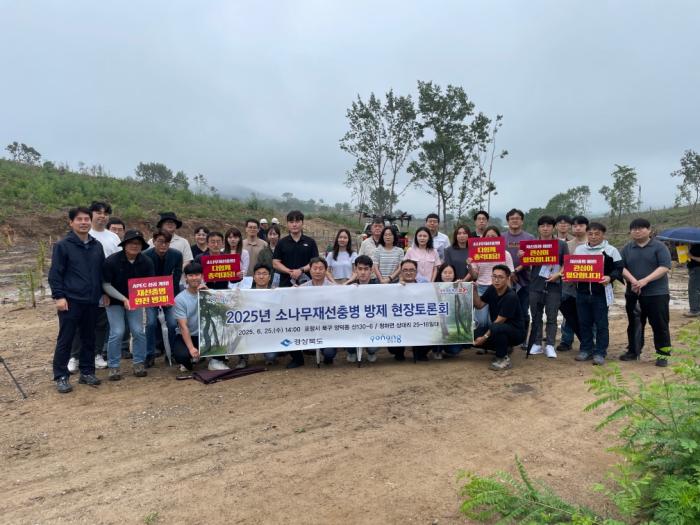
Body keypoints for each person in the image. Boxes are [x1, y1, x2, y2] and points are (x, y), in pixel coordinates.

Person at [49, 207, 106, 393]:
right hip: (70, 300)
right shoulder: (63, 246)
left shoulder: (96, 246)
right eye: (79, 219)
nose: (83, 222)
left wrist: (103, 292)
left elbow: (101, 272)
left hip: (92, 300)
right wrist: (59, 296)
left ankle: (87, 372)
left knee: (89, 337)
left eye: (86, 219)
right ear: (71, 223)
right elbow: (55, 273)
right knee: (66, 339)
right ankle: (61, 375)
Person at [67, 201, 120, 373]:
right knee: (78, 324)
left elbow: (114, 264)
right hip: (80, 289)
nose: (102, 216)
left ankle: (97, 354)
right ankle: (74, 356)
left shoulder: (113, 237)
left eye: (105, 213)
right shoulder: (83, 234)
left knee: (100, 323)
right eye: (98, 213)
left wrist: (107, 290)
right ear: (91, 216)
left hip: (104, 286)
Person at [102, 230, 155, 380]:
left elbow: (150, 284)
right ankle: (113, 366)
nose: (134, 246)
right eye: (131, 243)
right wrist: (124, 299)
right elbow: (106, 284)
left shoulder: (146, 262)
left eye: (138, 243)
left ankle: (138, 362)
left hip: (136, 301)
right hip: (114, 301)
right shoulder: (112, 261)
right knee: (117, 332)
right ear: (124, 244)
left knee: (138, 331)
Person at [620, 218, 673, 367]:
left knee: (660, 324)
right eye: (634, 229)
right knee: (634, 324)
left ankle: (662, 354)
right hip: (633, 293)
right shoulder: (627, 248)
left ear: (649, 230)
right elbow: (621, 267)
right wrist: (633, 281)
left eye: (641, 228)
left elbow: (664, 267)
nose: (637, 231)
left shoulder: (659, 247)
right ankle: (633, 351)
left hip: (657, 293)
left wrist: (645, 280)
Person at [572, 222, 623, 366]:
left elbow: (619, 269)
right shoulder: (579, 249)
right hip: (582, 292)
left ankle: (600, 352)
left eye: (597, 234)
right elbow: (573, 267)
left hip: (601, 293)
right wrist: (570, 276)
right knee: (584, 323)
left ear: (603, 235)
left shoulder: (611, 250)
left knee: (601, 324)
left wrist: (610, 277)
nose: (593, 237)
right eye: (590, 234)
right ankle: (586, 349)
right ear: (587, 234)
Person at [272, 210, 319, 368]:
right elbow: (275, 262)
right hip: (287, 285)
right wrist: (289, 271)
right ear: (287, 224)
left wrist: (301, 270)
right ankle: (296, 357)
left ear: (302, 223)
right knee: (289, 319)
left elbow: (315, 263)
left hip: (307, 285)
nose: (294, 224)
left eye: (297, 221)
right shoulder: (282, 243)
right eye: (291, 221)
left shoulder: (310, 242)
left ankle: (308, 345)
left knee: (307, 316)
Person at [526, 215, 569, 359]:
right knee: (536, 316)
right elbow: (527, 263)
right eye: (542, 226)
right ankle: (537, 343)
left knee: (552, 316)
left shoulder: (561, 245)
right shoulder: (532, 244)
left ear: (553, 227)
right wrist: (522, 255)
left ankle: (550, 344)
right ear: (538, 228)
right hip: (535, 285)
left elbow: (566, 263)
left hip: (554, 286)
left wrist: (559, 274)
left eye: (548, 226)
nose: (545, 228)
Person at [472, 265, 526, 371]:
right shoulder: (492, 289)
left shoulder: (511, 296)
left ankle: (503, 359)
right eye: (494, 276)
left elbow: (499, 321)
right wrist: (474, 290)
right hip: (498, 328)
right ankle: (504, 347)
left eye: (500, 277)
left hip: (516, 333)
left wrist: (483, 338)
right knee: (473, 335)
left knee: (496, 328)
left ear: (507, 278)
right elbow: (479, 305)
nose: (496, 280)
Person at [142, 230, 183, 368]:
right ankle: (149, 354)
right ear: (153, 242)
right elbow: (141, 278)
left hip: (169, 294)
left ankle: (171, 353)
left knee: (172, 324)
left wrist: (170, 296)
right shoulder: (145, 255)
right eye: (160, 241)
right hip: (150, 293)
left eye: (166, 242)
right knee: (151, 323)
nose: (163, 245)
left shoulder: (177, 255)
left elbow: (176, 277)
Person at [232, 263, 279, 369]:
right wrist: (236, 297)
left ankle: (271, 355)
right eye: (258, 274)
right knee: (240, 331)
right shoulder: (245, 293)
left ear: (269, 277)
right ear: (254, 277)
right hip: (249, 330)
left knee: (271, 356)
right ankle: (243, 358)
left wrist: (293, 291)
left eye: (264, 274)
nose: (261, 276)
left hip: (268, 332)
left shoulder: (275, 293)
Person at [467, 225, 515, 330]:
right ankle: (482, 337)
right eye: (487, 236)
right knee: (482, 322)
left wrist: (509, 292)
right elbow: (474, 276)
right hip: (482, 288)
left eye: (493, 236)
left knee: (494, 320)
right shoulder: (477, 253)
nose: (490, 238)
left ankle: (492, 337)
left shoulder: (505, 254)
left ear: (499, 238)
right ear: (483, 238)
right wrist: (469, 265)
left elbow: (510, 275)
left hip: (500, 290)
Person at [387, 260, 431, 362]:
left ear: (416, 271)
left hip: (420, 323)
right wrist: (397, 289)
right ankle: (399, 353)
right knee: (393, 347)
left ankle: (421, 353)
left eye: (412, 270)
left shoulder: (424, 284)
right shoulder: (393, 286)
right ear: (401, 272)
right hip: (400, 324)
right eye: (405, 270)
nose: (408, 273)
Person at [503, 208, 535, 346]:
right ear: (508, 221)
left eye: (517, 218)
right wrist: (509, 273)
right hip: (505, 281)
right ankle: (508, 338)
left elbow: (533, 258)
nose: (514, 221)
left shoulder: (530, 238)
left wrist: (515, 271)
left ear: (522, 221)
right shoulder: (501, 237)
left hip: (524, 280)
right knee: (506, 311)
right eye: (512, 218)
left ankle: (523, 339)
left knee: (523, 311)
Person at [557, 215, 589, 352]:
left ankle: (589, 341)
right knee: (568, 315)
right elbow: (561, 264)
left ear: (586, 227)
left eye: (581, 225)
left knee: (587, 315)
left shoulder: (593, 244)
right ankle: (566, 340)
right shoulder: (567, 245)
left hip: (587, 286)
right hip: (568, 286)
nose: (577, 228)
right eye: (575, 226)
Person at [300, 257, 337, 364]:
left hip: (328, 329)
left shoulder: (334, 288)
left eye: (321, 268)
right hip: (309, 327)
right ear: (310, 270)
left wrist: (354, 288)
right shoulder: (302, 288)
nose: (317, 271)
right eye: (315, 268)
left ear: (326, 270)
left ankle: (327, 354)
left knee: (329, 354)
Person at [344, 255, 380, 362]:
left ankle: (371, 351)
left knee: (373, 347)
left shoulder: (378, 286)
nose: (363, 272)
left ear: (371, 270)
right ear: (355, 270)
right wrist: (348, 285)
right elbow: (337, 294)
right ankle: (352, 351)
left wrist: (401, 286)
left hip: (373, 326)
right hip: (353, 325)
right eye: (360, 269)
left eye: (366, 269)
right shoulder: (349, 286)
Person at [172, 263, 203, 374]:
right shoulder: (180, 299)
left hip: (205, 335)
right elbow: (183, 326)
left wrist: (208, 293)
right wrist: (191, 348)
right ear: (185, 278)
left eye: (197, 275)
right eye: (190, 275)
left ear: (202, 276)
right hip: (187, 335)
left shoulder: (208, 293)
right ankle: (190, 361)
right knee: (181, 355)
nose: (194, 278)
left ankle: (217, 360)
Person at [433, 263, 464, 359]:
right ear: (440, 274)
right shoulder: (433, 286)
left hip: (452, 322)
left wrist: (461, 288)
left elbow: (463, 305)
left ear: (454, 274)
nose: (447, 275)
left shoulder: (458, 286)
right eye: (445, 272)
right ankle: (436, 350)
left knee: (454, 351)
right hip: (437, 321)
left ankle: (447, 348)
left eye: (450, 273)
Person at [686, 242, 700, 317]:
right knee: (697, 290)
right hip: (694, 269)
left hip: (697, 270)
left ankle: (694, 310)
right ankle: (697, 309)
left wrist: (691, 256)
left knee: (693, 290)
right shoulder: (694, 244)